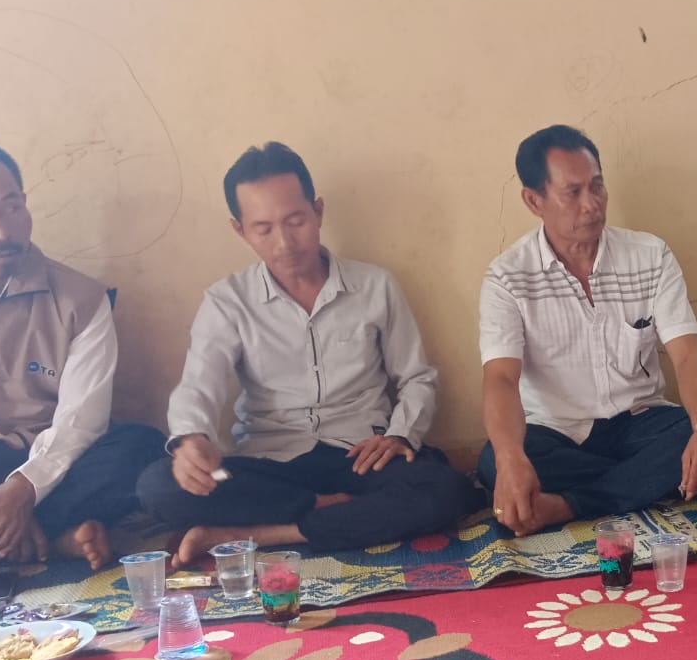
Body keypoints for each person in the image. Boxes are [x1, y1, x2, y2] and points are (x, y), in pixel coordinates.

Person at [137, 142, 477, 565]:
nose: (284, 242)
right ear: (240, 230)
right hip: (268, 467)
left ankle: (262, 533)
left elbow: (417, 378)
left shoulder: (374, 286)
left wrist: (399, 435)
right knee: (159, 485)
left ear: (317, 211)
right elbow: (198, 385)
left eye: (295, 221)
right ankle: (325, 509)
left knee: (445, 489)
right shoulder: (228, 301)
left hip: (359, 459)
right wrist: (191, 439)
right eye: (263, 229)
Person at [478, 125, 697, 535]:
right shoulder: (507, 277)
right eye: (573, 192)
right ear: (534, 200)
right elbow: (501, 379)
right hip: (557, 432)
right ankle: (655, 479)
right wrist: (511, 461)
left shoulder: (650, 256)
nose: (591, 205)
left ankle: (569, 504)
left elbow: (686, 354)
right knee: (494, 462)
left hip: (640, 424)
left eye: (597, 187)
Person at [0, 137, 162, 593]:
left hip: (46, 473)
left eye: (12, 207)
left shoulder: (81, 299)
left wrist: (20, 492)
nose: (0, 229)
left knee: (143, 449)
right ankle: (50, 539)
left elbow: (80, 424)